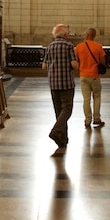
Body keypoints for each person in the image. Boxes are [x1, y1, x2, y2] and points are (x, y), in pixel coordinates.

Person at [42, 24, 78, 152]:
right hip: (66, 83)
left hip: (53, 83)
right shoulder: (69, 46)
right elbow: (74, 64)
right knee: (67, 109)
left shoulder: (50, 46)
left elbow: (44, 66)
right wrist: (76, 65)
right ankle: (56, 131)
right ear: (65, 34)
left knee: (59, 112)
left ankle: (63, 139)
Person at [75, 27, 106, 129]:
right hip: (94, 75)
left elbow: (76, 61)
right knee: (97, 97)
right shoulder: (98, 46)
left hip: (83, 75)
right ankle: (96, 119)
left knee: (86, 99)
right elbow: (102, 62)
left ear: (87, 35)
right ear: (94, 36)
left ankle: (87, 120)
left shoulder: (79, 47)